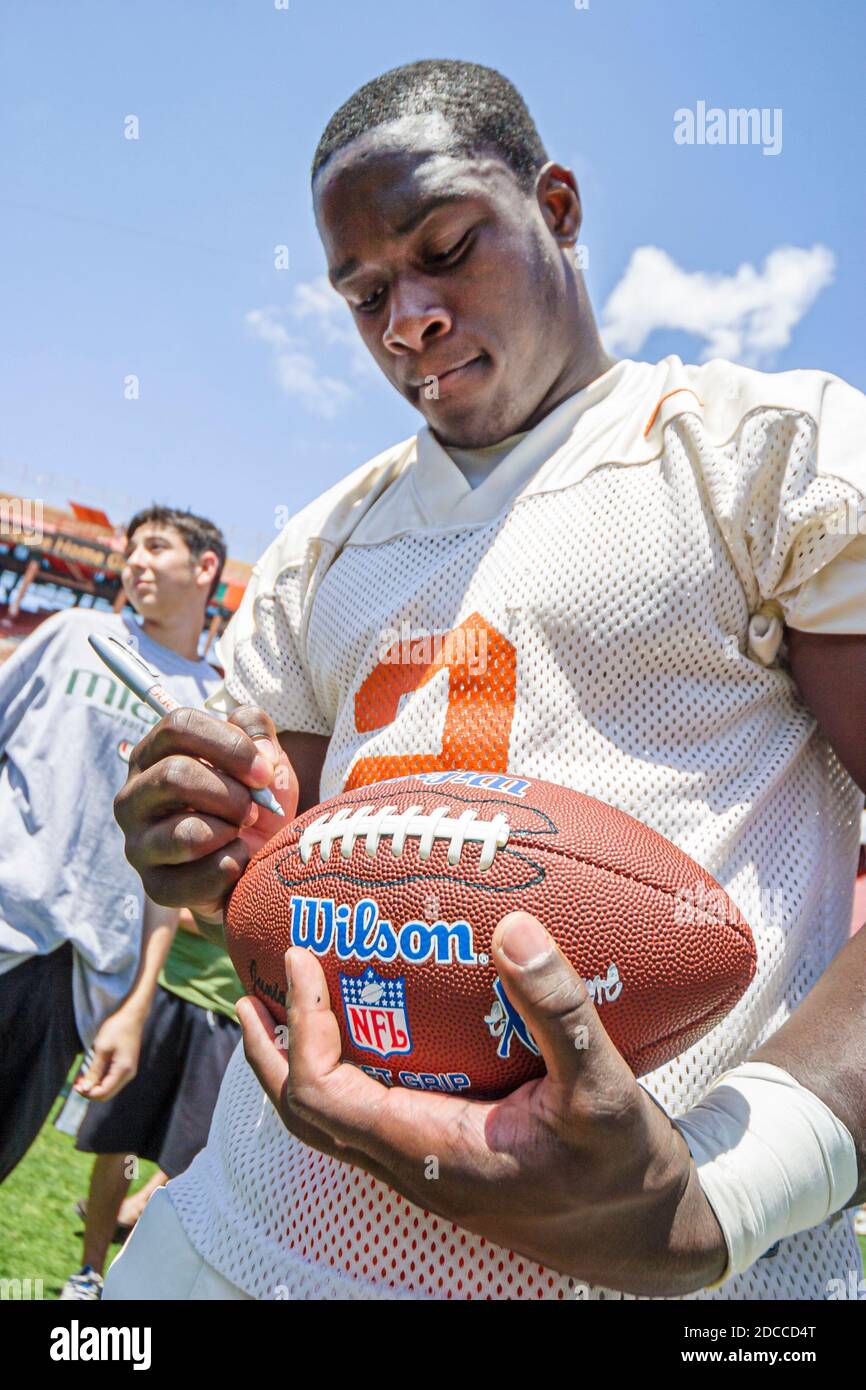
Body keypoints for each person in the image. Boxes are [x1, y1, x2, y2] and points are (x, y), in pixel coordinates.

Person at [106, 60, 866, 1301]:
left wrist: (724, 1191)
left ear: (556, 208)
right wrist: (194, 838)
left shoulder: (763, 457)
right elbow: (260, 879)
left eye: (445, 247)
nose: (405, 317)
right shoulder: (321, 543)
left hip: (660, 1282)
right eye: (362, 295)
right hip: (250, 1230)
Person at [0, 506, 225, 1183]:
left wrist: (134, 1006)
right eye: (131, 549)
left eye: (156, 548)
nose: (136, 561)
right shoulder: (73, 634)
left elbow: (169, 870)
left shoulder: (210, 704)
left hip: (81, 972)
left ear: (205, 568)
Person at [59, 909, 243, 1300]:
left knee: (191, 1159)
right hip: (167, 993)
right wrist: (234, 926)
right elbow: (171, 907)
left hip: (232, 1021)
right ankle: (88, 1272)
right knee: (118, 1141)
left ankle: (128, 1260)